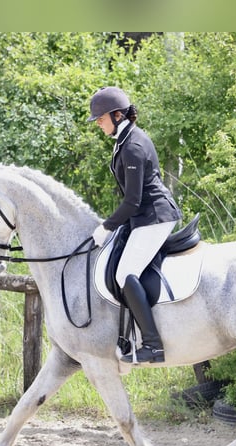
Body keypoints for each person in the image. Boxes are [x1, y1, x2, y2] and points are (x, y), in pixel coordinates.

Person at [88, 86, 182, 364]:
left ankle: (153, 344)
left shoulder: (132, 146)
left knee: (124, 272)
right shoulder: (124, 139)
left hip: (154, 216)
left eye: (101, 118)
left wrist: (107, 225)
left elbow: (132, 200)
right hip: (143, 215)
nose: (98, 124)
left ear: (117, 115)